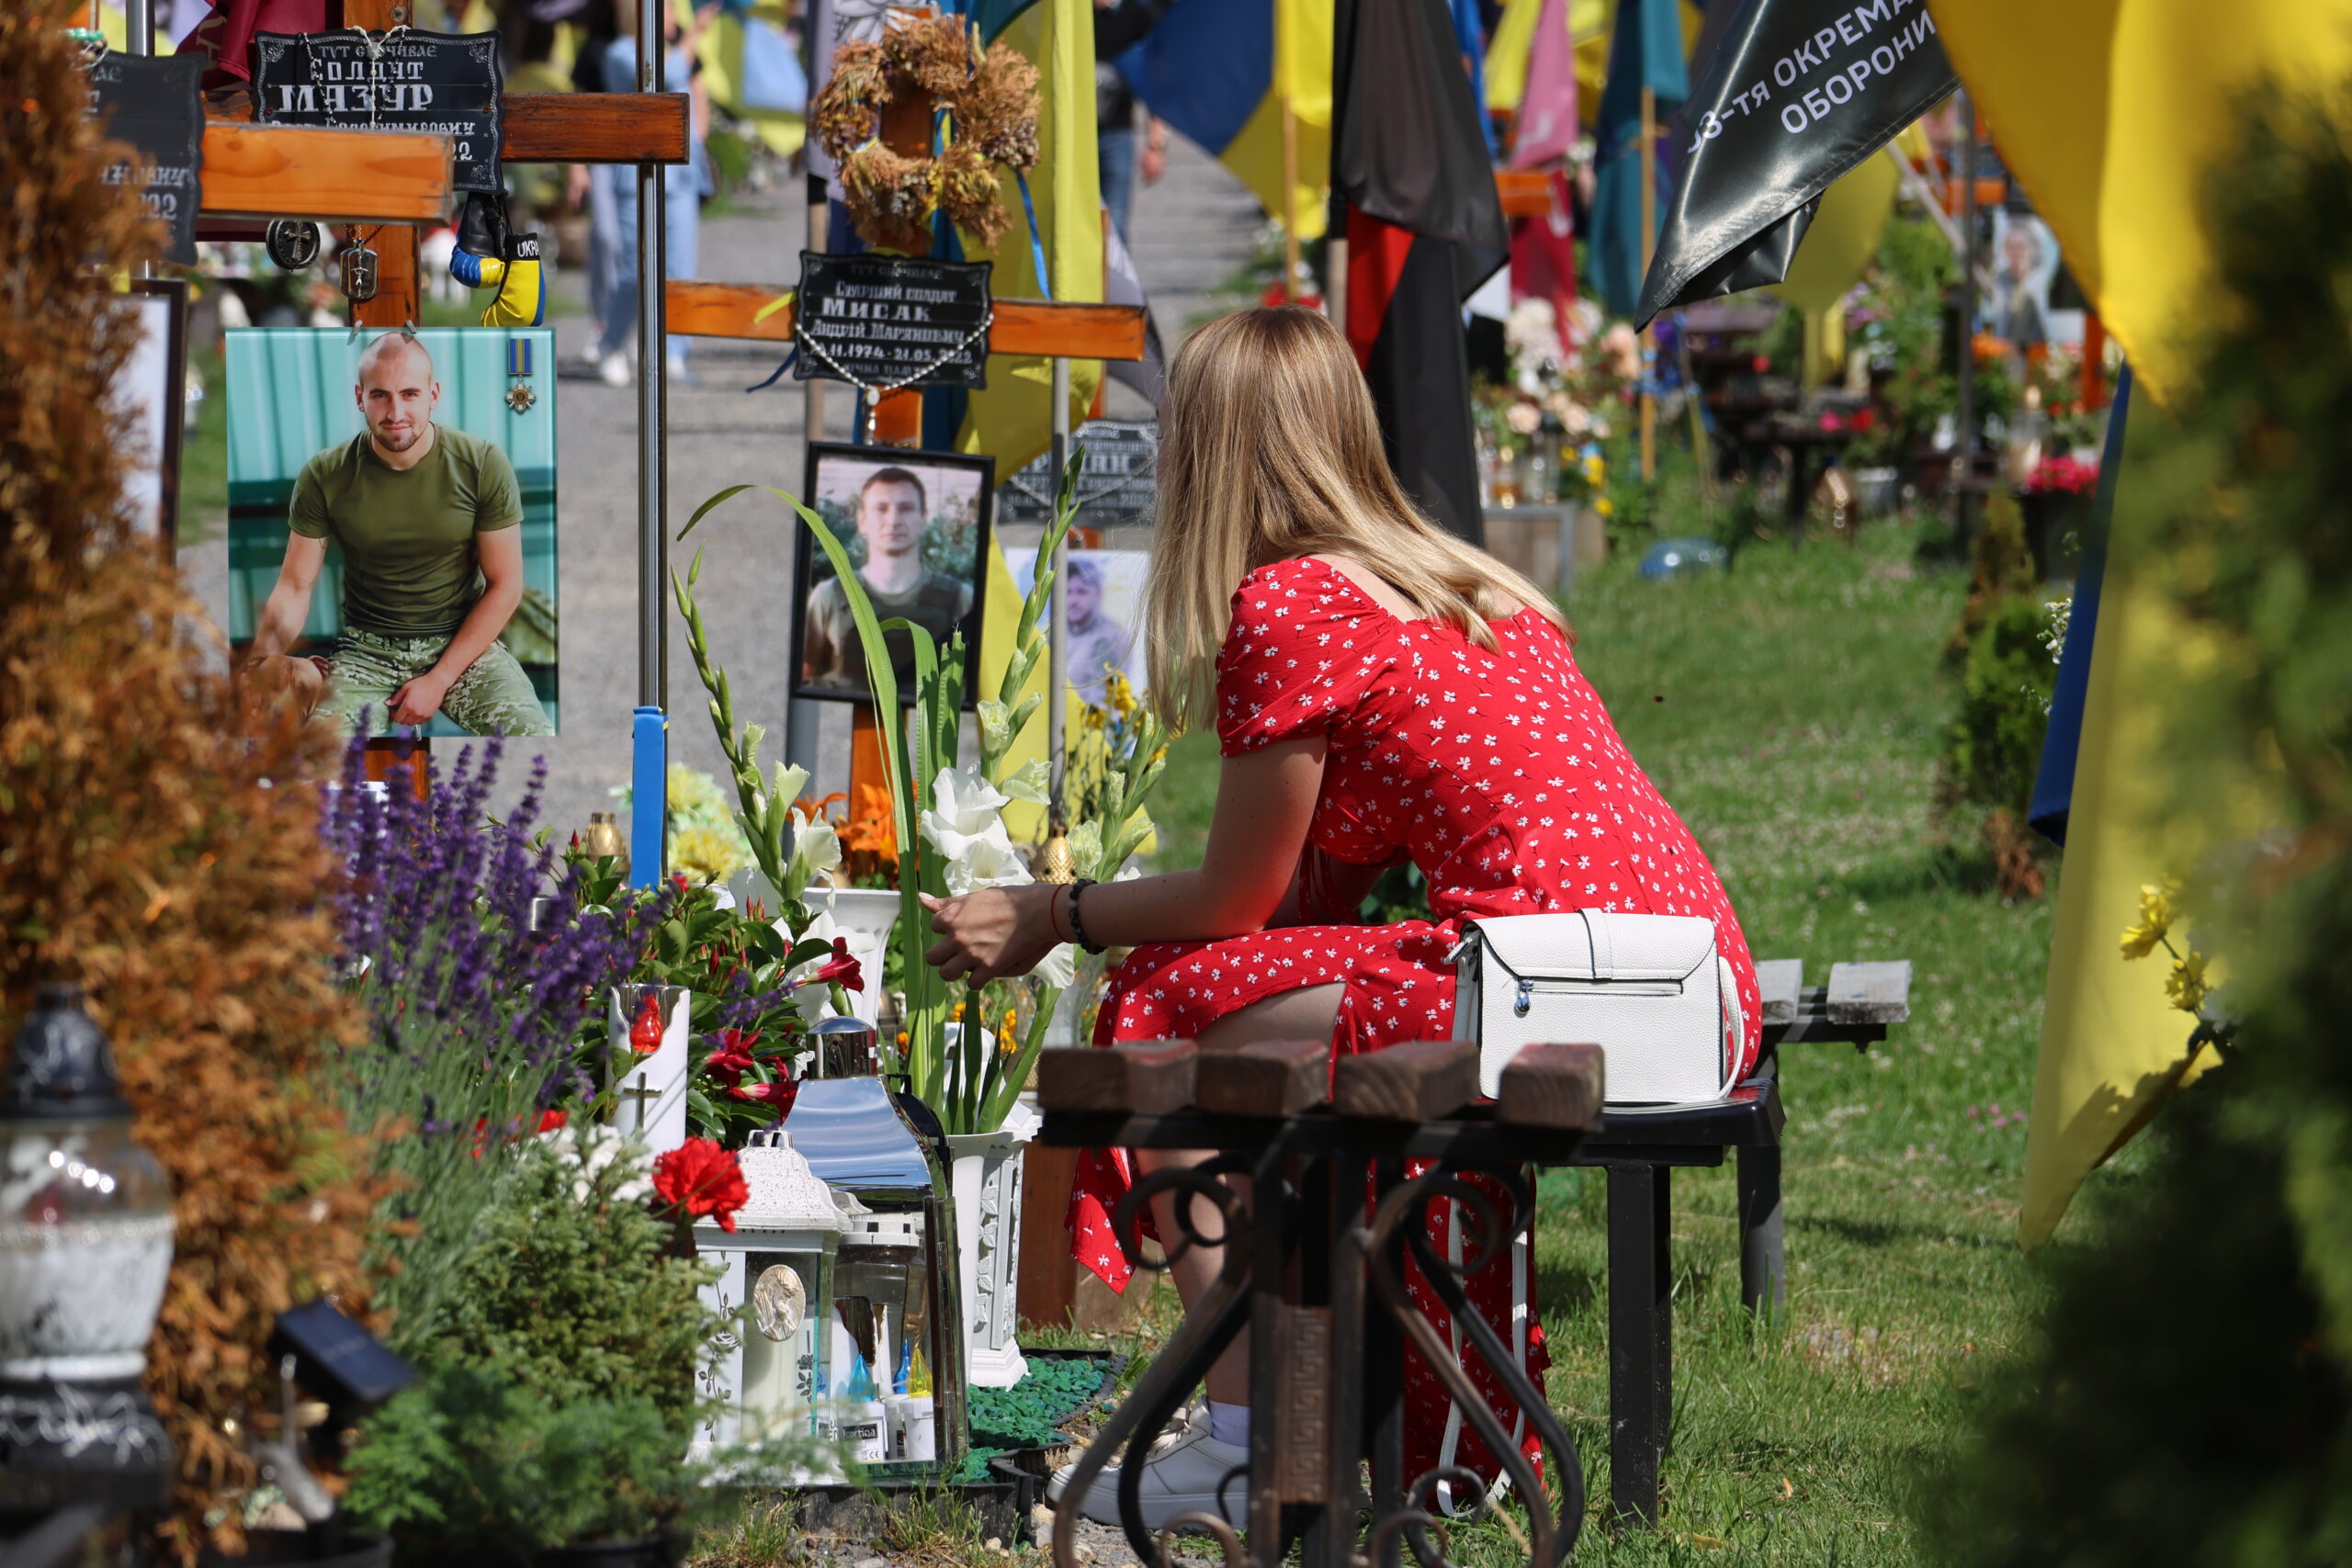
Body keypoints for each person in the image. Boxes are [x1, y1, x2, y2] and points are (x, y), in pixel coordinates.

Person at [922, 307, 1761, 1530]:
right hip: (1688, 982)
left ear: (1212, 452)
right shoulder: (1467, 582)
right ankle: (1309, 1393)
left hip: (1538, 982)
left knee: (1161, 999)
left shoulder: (1292, 606)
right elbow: (1312, 893)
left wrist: (1056, 908)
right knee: (1227, 1012)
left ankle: (1250, 1434)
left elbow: (1235, 901)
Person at [242, 333, 553, 737]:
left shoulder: (481, 464)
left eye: (409, 394)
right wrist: (259, 667)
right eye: (380, 396)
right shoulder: (326, 474)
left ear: (433, 394)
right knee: (314, 762)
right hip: (366, 652)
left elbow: (506, 585)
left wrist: (439, 680)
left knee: (532, 739)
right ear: (360, 397)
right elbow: (296, 585)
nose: (395, 412)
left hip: (462, 644)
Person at [800, 466, 976, 696]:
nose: (893, 520)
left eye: (906, 508)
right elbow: (807, 676)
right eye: (881, 509)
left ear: (923, 519)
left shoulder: (959, 598)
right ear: (861, 520)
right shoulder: (829, 596)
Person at [1061, 556, 1135, 706]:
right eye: (1068, 591)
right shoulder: (1054, 634)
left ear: (1098, 594)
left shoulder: (1111, 637)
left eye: (1081, 592)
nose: (1073, 600)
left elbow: (1103, 699)